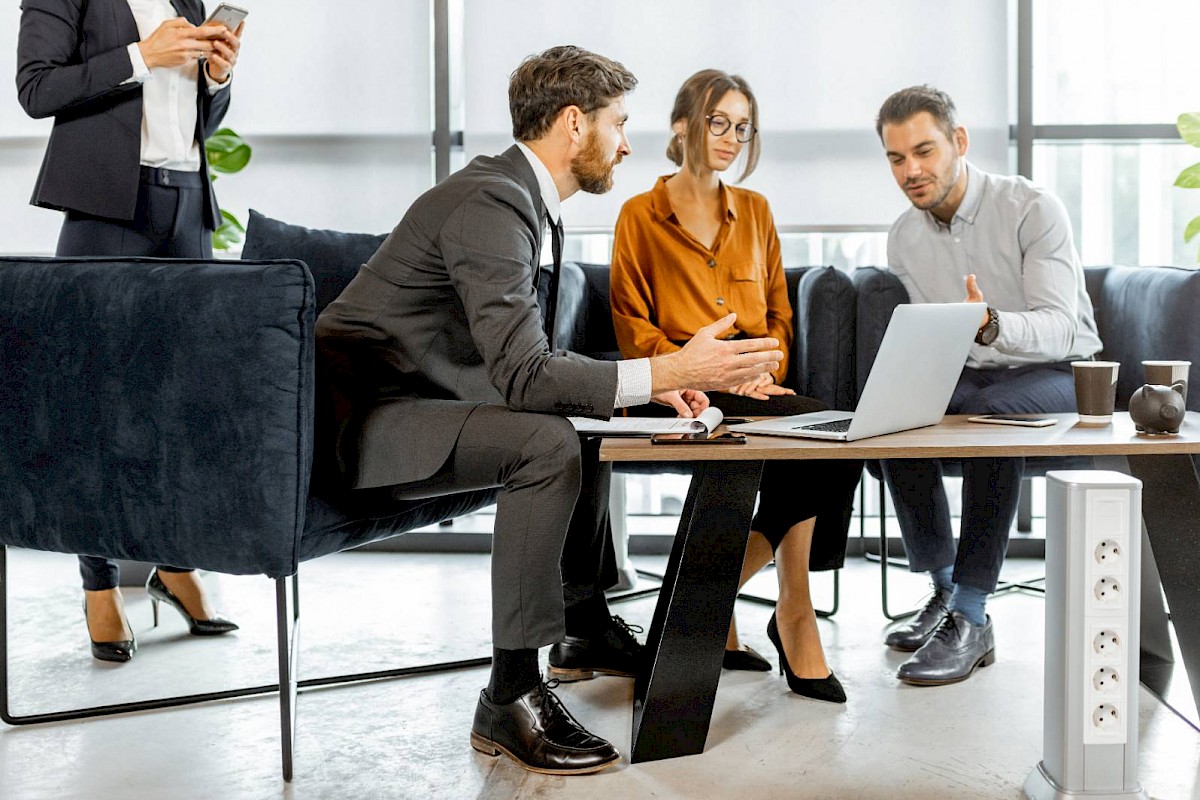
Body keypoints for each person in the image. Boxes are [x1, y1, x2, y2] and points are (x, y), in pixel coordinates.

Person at [315, 46, 785, 775]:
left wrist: (649, 383)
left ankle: (584, 623)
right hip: (367, 425)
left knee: (586, 415)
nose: (628, 143)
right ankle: (509, 696)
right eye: (618, 123)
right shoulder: (493, 201)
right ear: (574, 123)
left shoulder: (520, 197)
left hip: (419, 401)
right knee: (546, 442)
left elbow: (521, 361)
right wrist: (668, 366)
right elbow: (526, 375)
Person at [608, 69, 862, 703]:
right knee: (813, 445)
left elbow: (778, 314)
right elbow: (633, 327)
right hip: (680, 388)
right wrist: (696, 370)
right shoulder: (639, 215)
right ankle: (782, 617)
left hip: (753, 386)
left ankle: (708, 597)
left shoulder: (756, 211)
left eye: (742, 127)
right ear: (681, 127)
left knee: (836, 433)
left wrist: (762, 370)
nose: (730, 137)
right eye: (717, 122)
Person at [16, 0, 245, 662]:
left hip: (187, 206)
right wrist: (141, 56)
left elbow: (196, 119)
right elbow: (35, 88)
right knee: (92, 407)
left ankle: (175, 564)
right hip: (107, 208)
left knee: (182, 405)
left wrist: (218, 79)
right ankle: (98, 582)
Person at [874, 85, 1102, 685]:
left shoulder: (1031, 207)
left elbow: (1061, 327)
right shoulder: (904, 235)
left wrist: (991, 323)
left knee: (990, 421)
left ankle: (973, 616)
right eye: (896, 158)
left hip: (1057, 372)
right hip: (974, 374)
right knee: (893, 414)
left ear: (959, 142)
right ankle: (945, 591)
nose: (911, 171)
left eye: (923, 151)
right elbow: (939, 338)